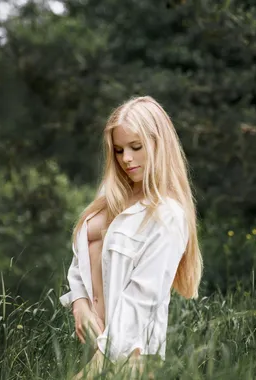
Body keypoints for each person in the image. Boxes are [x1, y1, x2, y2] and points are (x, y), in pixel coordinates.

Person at [59, 96, 203, 378]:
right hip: (91, 346)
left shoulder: (167, 214)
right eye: (118, 150)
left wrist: (99, 364)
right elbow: (81, 258)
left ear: (159, 144)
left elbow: (142, 298)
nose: (126, 159)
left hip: (128, 358)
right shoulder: (112, 194)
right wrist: (79, 304)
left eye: (136, 147)